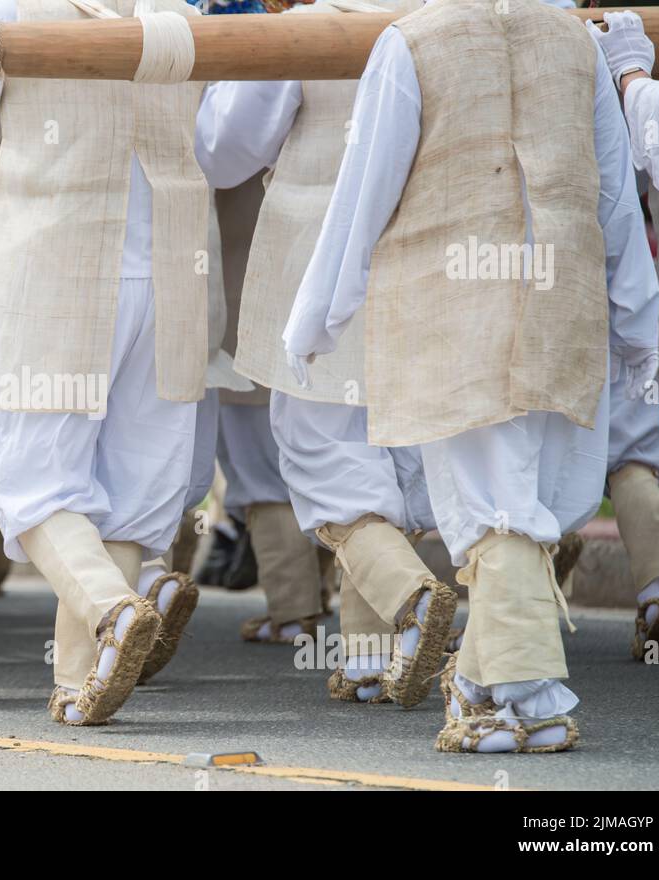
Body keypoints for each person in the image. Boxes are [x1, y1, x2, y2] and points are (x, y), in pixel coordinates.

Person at [286, 0, 659, 752]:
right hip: (563, 299)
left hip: (451, 315)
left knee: (492, 511)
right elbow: (617, 195)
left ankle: (539, 700)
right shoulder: (576, 42)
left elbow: (364, 192)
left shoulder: (408, 42)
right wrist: (635, 319)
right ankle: (483, 696)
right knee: (520, 503)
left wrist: (315, 321)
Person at [0, 0, 214, 725]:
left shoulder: (20, 12)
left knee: (30, 480)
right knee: (131, 485)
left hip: (59, 266)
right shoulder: (181, 14)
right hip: (171, 274)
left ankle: (114, 611)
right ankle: (79, 679)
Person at [197, 0, 450, 707]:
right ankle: (369, 656)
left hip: (318, 256)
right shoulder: (452, 16)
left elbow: (225, 151)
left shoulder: (305, 24)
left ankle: (410, 598)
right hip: (427, 251)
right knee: (386, 445)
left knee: (320, 446)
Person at [592, 8, 659, 662]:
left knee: (501, 465)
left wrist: (630, 69)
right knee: (632, 445)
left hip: (503, 260)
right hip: (607, 236)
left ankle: (480, 627)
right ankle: (654, 588)